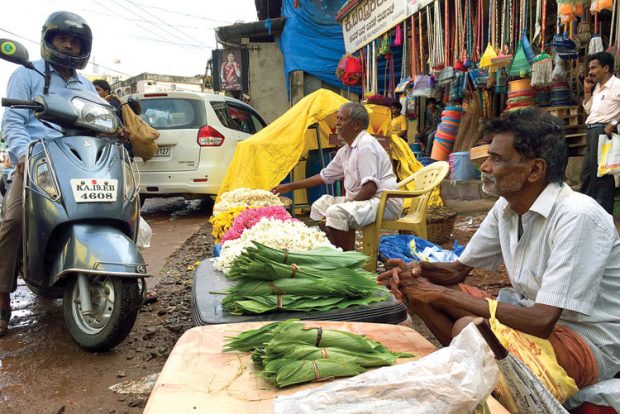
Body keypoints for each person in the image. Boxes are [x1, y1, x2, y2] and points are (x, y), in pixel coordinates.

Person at [379, 108, 620, 390]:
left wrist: (439, 293)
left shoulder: (577, 217)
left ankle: (491, 382)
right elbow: (457, 270)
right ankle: (486, 378)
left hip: (585, 341)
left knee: (470, 329)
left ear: (535, 170)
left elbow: (542, 320)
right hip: (535, 317)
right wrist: (416, 272)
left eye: (495, 159)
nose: (485, 167)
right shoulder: (506, 206)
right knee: (423, 293)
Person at [0, 11, 98, 336]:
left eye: (74, 41)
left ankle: (120, 276)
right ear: (49, 40)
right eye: (62, 39)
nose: (68, 45)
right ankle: (1, 293)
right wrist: (22, 155)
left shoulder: (85, 85)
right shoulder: (27, 74)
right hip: (37, 160)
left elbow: (101, 118)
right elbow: (12, 122)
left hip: (76, 160)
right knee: (14, 221)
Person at [272, 102, 403, 251]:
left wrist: (347, 205)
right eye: (337, 118)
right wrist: (289, 186)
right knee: (320, 205)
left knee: (336, 212)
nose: (337, 123)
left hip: (383, 202)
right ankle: (336, 250)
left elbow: (370, 188)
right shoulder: (346, 150)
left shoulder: (366, 146)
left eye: (341, 119)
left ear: (356, 125)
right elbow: (324, 176)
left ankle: (347, 258)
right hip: (366, 199)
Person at [581, 51, 620, 215]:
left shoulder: (617, 85)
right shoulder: (597, 88)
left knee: (602, 177)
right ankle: (587, 214)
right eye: (589, 68)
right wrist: (587, 91)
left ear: (605, 68)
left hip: (603, 132)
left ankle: (602, 217)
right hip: (592, 132)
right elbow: (589, 110)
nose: (590, 71)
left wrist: (613, 123)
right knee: (587, 175)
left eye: (594, 67)